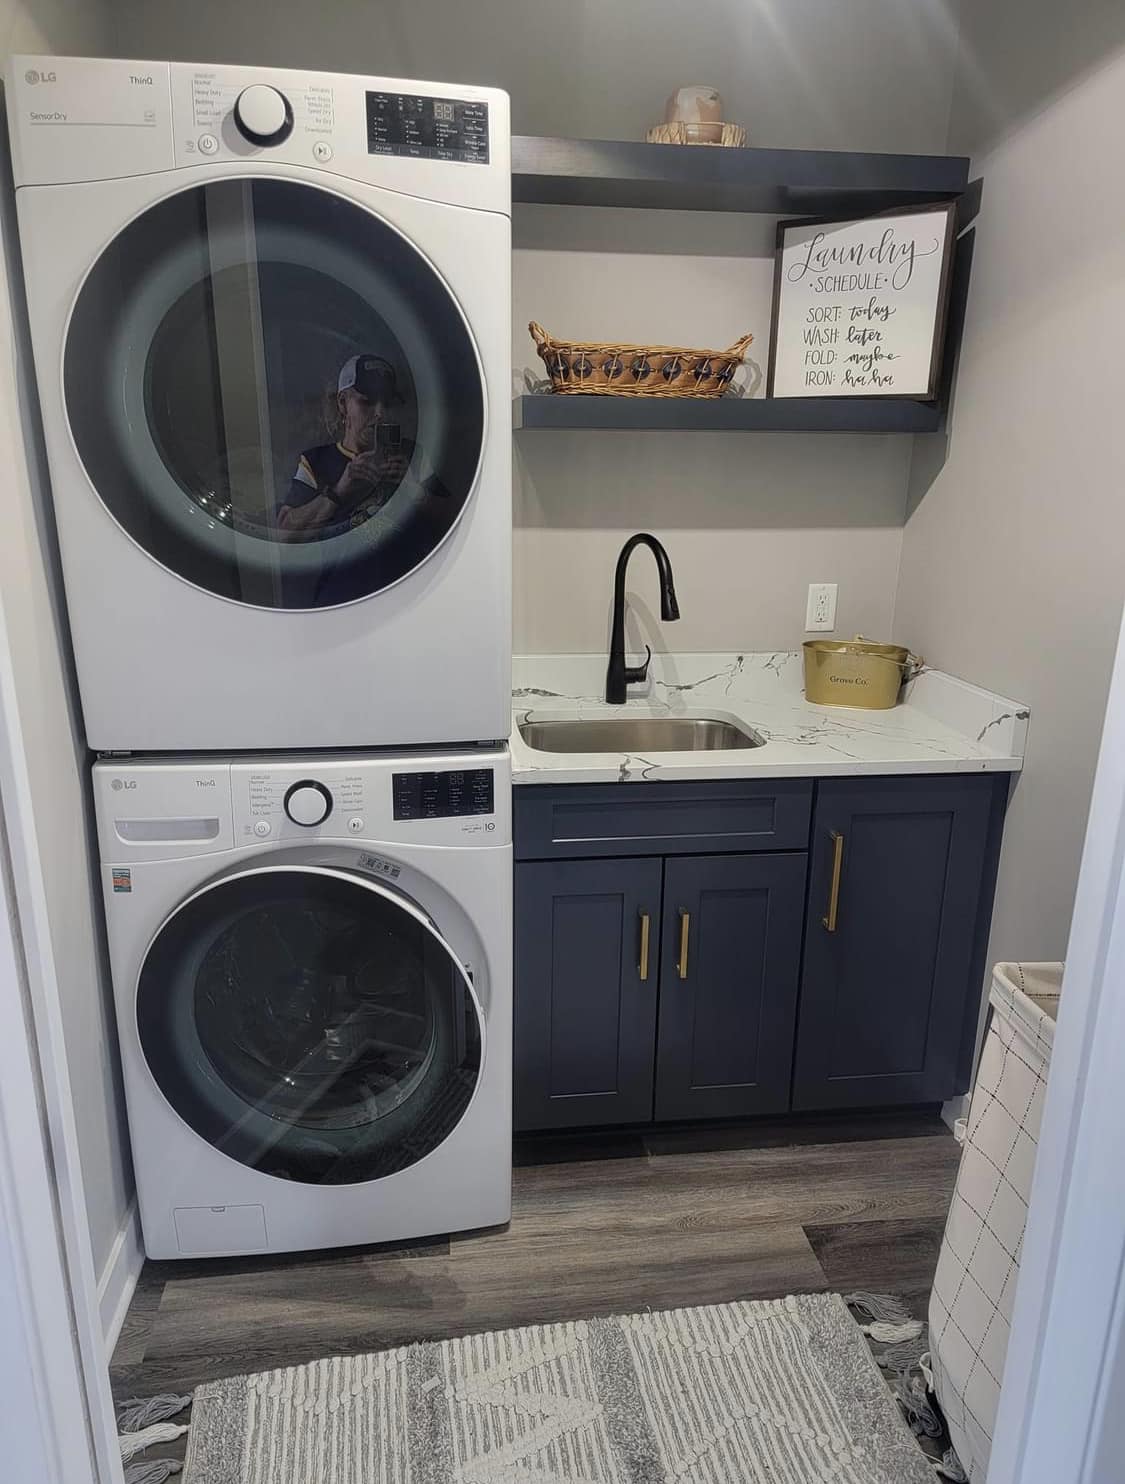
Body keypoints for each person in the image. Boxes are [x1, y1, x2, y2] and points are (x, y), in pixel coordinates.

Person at [277, 354, 412, 537]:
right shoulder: (316, 462)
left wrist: (412, 488)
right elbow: (284, 534)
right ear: (342, 403)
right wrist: (339, 491)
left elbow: (455, 520)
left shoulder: (410, 454)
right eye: (367, 401)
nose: (380, 413)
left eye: (387, 404)